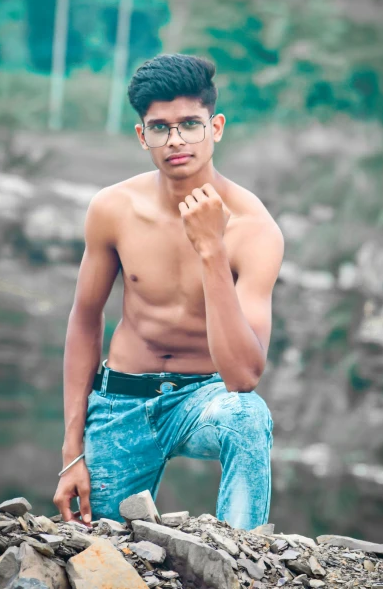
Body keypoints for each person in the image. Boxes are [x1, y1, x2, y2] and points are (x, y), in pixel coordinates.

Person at [53, 53, 284, 531]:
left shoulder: (255, 229)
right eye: (159, 127)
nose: (175, 140)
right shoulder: (113, 208)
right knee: (99, 546)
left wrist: (211, 251)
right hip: (120, 403)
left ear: (215, 127)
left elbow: (242, 377)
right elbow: (84, 319)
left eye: (190, 124)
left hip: (204, 400)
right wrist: (71, 451)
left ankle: (240, 564)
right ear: (143, 136)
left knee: (248, 418)